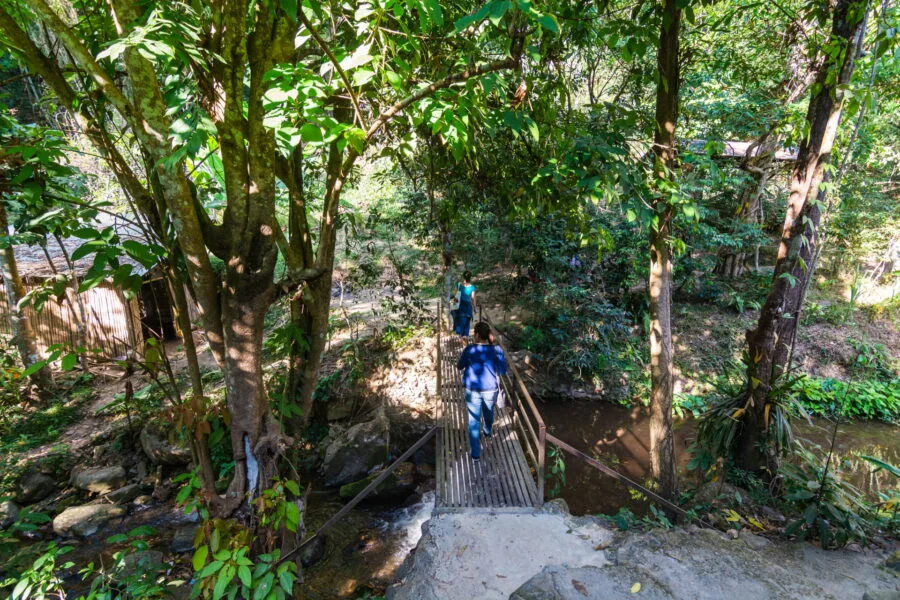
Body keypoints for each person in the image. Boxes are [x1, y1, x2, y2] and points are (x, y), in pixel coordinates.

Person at [456, 322, 507, 463]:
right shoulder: (497, 350)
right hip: (491, 389)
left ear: (477, 335)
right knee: (489, 412)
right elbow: (503, 371)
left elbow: (459, 366)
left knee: (473, 421)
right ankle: (487, 431)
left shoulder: (470, 349)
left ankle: (476, 455)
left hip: (472, 390)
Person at [454, 271, 476, 338]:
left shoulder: (459, 285)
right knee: (467, 326)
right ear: (470, 277)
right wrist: (474, 308)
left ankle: (460, 337)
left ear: (463, 277)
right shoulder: (472, 287)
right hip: (468, 308)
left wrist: (454, 305)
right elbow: (473, 298)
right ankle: (465, 339)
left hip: (460, 308)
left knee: (460, 326)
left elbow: (455, 296)